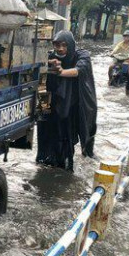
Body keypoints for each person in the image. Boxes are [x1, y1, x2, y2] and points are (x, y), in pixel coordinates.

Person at [36, 31, 97, 170]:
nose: (61, 48)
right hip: (51, 102)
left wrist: (61, 72)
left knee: (68, 138)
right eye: (57, 45)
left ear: (71, 45)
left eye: (64, 45)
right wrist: (48, 63)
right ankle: (46, 164)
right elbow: (40, 77)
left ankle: (66, 168)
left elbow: (78, 71)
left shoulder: (82, 55)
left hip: (74, 105)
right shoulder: (51, 56)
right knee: (46, 132)